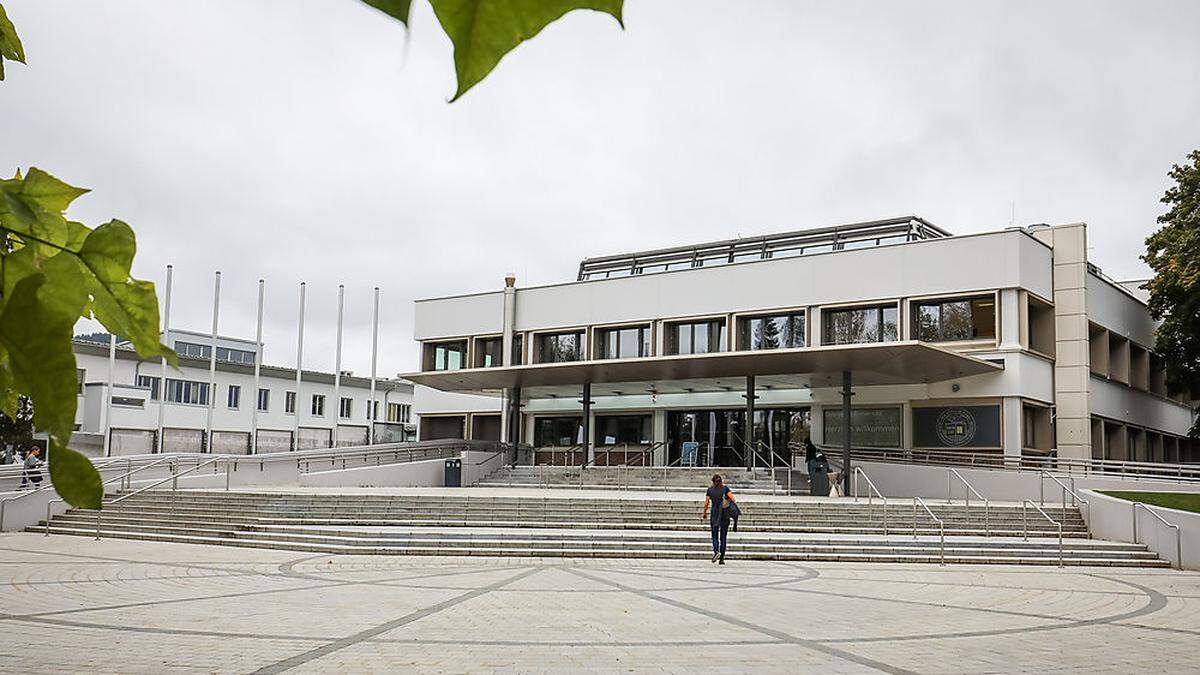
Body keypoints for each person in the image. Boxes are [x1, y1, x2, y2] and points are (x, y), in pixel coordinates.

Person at [701, 473, 736, 565]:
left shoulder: (710, 490)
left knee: (714, 535)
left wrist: (704, 513)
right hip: (724, 514)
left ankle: (716, 552)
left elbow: (706, 503)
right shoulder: (725, 489)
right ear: (721, 481)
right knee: (723, 537)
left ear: (713, 482)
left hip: (715, 514)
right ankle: (721, 559)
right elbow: (733, 498)